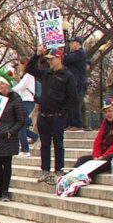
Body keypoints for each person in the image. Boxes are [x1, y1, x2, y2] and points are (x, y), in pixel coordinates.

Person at [26, 47, 79, 183]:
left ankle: (59, 169)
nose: (50, 61)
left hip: (57, 115)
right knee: (45, 144)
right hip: (44, 114)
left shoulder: (67, 76)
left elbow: (72, 98)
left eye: (52, 59)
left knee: (58, 143)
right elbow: (30, 69)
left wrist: (63, 113)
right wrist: (36, 55)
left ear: (59, 58)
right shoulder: (46, 73)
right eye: (48, 59)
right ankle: (45, 170)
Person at [72, 98, 113, 180]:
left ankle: (83, 177)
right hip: (107, 153)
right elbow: (98, 141)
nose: (107, 114)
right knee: (82, 159)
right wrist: (96, 156)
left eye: (110, 111)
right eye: (105, 112)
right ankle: (71, 175)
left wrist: (103, 156)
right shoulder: (105, 122)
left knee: (110, 158)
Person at [0, 75, 26, 201]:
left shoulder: (15, 99)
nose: (0, 86)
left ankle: (5, 191)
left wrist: (11, 131)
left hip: (8, 136)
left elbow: (21, 120)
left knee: (6, 164)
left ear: (8, 86)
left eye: (2, 84)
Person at [12, 62, 38, 157]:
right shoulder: (25, 76)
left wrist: (9, 89)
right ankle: (34, 136)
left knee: (21, 125)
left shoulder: (28, 76)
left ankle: (25, 149)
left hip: (27, 101)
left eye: (20, 65)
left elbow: (20, 87)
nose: (19, 67)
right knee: (21, 125)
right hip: (24, 101)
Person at [64, 37, 88, 130]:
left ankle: (76, 123)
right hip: (72, 82)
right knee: (71, 103)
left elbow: (67, 59)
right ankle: (70, 122)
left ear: (77, 43)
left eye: (71, 42)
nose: (69, 44)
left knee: (75, 103)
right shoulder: (74, 54)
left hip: (78, 82)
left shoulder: (80, 53)